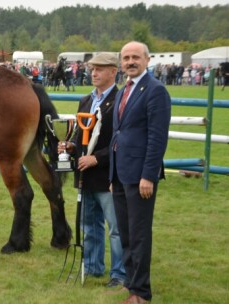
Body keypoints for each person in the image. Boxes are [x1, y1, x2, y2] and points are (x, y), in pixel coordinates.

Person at [109, 41, 171, 303]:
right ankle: (130, 283)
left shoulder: (155, 91)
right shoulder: (125, 90)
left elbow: (157, 138)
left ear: (147, 60)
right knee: (125, 233)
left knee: (139, 235)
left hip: (140, 176)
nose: (130, 62)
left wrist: (149, 175)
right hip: (121, 174)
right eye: (126, 58)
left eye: (135, 57)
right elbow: (118, 134)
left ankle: (141, 293)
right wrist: (112, 176)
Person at [59, 52, 126, 288]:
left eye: (100, 69)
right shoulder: (86, 100)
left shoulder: (121, 101)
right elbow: (80, 136)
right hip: (85, 175)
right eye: (92, 69)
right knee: (90, 225)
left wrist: (96, 159)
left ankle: (119, 274)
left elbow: (123, 141)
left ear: (113, 71)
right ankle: (94, 266)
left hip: (107, 174)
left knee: (115, 228)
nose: (94, 73)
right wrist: (70, 145)